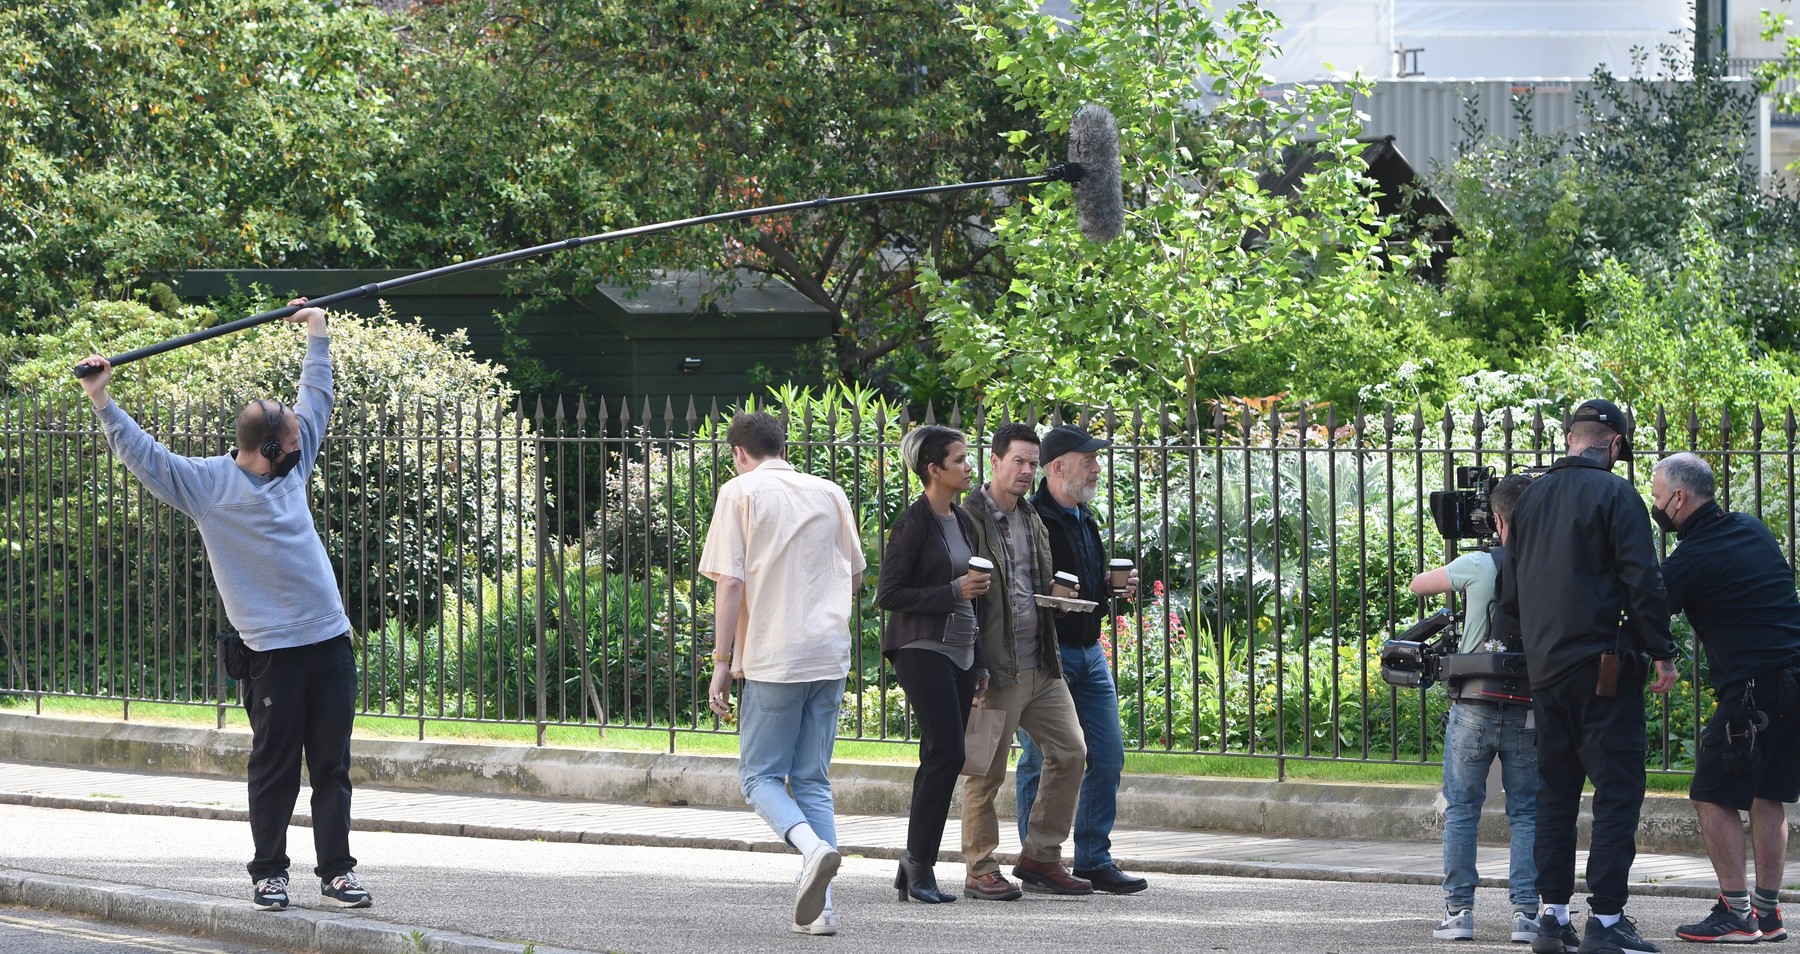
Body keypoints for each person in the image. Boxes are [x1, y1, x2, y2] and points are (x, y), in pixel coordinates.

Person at [77, 299, 371, 914]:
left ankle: (337, 872)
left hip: (330, 643)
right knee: (274, 771)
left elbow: (316, 401)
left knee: (332, 766)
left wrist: (317, 333)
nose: (303, 444)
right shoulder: (208, 487)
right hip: (273, 654)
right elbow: (145, 456)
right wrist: (103, 400)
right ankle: (269, 874)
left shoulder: (294, 464)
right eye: (291, 442)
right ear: (267, 446)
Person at [1501, 399, 1679, 954]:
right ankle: (1606, 918)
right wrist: (1662, 651)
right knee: (1618, 790)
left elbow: (1509, 593)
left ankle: (1551, 918)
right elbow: (1641, 580)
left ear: (1572, 437)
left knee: (1555, 791)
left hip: (1546, 671)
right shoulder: (1616, 494)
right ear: (1616, 445)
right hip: (1604, 667)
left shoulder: (1528, 499)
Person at [701, 411, 866, 936]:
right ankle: (822, 911)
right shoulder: (829, 491)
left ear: (739, 452)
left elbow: (729, 582)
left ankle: (811, 846)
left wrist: (722, 663)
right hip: (828, 652)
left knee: (760, 777)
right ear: (782, 445)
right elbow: (856, 572)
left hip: (776, 654)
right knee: (813, 779)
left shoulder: (740, 491)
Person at [1653, 453, 1800, 944]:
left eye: (1657, 497)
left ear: (1679, 498)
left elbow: (1649, 613)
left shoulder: (1692, 556)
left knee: (1711, 795)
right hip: (1793, 678)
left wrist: (1662, 656)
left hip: (1752, 688)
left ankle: (1736, 913)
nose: (1656, 506)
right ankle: (1768, 913)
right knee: (1768, 796)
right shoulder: (1752, 528)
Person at [960, 423, 1090, 900]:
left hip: (1041, 663)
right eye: (1018, 461)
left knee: (1071, 752)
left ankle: (1040, 856)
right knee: (985, 772)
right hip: (995, 669)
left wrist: (1057, 596)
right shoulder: (966, 516)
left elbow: (1030, 586)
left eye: (1033, 463)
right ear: (994, 461)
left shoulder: (1031, 517)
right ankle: (979, 867)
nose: (1026, 471)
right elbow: (962, 595)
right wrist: (972, 664)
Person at [1410, 473, 1540, 944]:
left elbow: (1417, 584)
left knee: (1463, 808)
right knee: (1526, 811)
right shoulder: (1550, 564)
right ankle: (1526, 914)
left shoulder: (1479, 562)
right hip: (1528, 702)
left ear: (1498, 519)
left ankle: (1459, 912)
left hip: (1473, 701)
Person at [1018, 424, 1147, 895]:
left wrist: (1115, 591)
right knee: (1041, 760)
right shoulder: (1032, 520)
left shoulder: (1084, 517)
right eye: (1086, 459)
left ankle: (1093, 859)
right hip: (1046, 654)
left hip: (1089, 653)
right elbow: (1020, 592)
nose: (1096, 466)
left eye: (1095, 458)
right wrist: (1050, 595)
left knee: (1107, 755)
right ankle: (1037, 857)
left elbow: (1085, 591)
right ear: (1058, 468)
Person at [875, 424, 988, 905]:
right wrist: (951, 591)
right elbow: (889, 594)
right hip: (921, 648)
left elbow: (974, 601)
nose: (969, 466)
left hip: (962, 651)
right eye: (960, 459)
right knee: (948, 753)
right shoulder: (913, 523)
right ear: (933, 469)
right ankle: (920, 865)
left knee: (940, 756)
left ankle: (914, 863)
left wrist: (979, 661)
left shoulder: (962, 521)